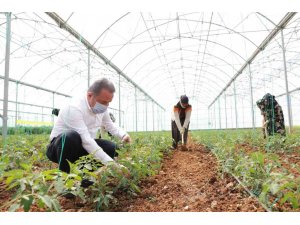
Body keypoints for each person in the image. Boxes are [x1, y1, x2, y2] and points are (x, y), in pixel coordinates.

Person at [46, 78, 131, 177]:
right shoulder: (73, 107)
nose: (106, 106)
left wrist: (123, 135)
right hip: (59, 148)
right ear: (90, 95)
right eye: (103, 102)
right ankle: (65, 177)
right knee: (71, 136)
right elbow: (86, 141)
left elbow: (109, 125)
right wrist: (112, 164)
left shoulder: (102, 109)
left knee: (111, 147)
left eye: (108, 102)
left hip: (82, 147)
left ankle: (84, 175)